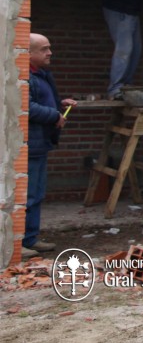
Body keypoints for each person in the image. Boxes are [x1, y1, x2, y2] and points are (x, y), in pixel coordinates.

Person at [25, 34, 77, 259]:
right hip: (31, 144)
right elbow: (26, 106)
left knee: (36, 193)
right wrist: (53, 114)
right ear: (29, 53)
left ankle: (30, 238)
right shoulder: (24, 77)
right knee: (27, 195)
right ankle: (21, 242)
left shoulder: (41, 74)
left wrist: (59, 104)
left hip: (40, 143)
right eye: (44, 49)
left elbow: (41, 101)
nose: (50, 53)